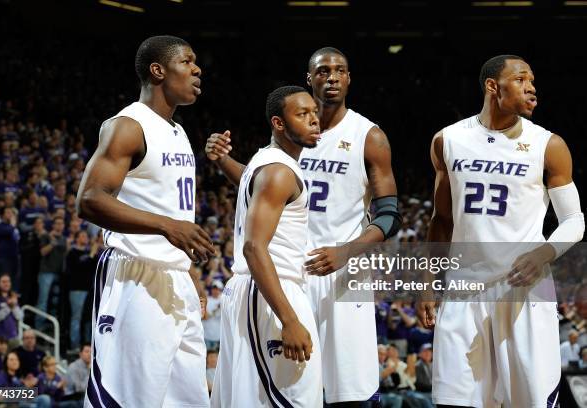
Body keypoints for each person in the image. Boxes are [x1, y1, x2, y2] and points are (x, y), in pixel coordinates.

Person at [206, 47, 400, 407]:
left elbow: (389, 214)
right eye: (323, 71)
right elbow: (263, 188)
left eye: (340, 71)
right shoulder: (291, 136)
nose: (332, 78)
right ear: (309, 79)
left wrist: (347, 251)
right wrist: (224, 162)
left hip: (343, 271)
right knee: (288, 388)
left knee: (350, 389)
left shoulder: (367, 136)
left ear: (349, 78)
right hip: (288, 272)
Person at [417, 55, 585, 407]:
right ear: (493, 86)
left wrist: (543, 253)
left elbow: (575, 220)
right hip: (463, 289)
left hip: (522, 290)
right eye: (521, 79)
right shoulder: (447, 140)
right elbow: (442, 220)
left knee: (532, 402)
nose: (532, 88)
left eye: (533, 80)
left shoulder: (548, 145)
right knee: (454, 401)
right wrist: (429, 282)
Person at [76, 35, 214, 408]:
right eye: (187, 61)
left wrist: (187, 273)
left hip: (175, 280)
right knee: (129, 399)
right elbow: (89, 200)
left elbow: (173, 212)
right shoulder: (128, 125)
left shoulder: (179, 132)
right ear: (158, 70)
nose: (196, 69)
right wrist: (167, 226)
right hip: (133, 275)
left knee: (187, 399)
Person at [211, 86, 323, 407]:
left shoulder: (265, 162)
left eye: (314, 112)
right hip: (271, 291)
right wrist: (288, 319)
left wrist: (222, 161)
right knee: (293, 399)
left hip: (262, 290)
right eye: (302, 114)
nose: (313, 120)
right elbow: (254, 248)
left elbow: (249, 182)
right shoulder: (279, 171)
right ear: (278, 123)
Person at [0, 274, 23, 346]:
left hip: (13, 337)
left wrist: (14, 307)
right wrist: (8, 307)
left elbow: (20, 316)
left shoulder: (13, 297)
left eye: (8, 281)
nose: (6, 284)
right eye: (3, 282)